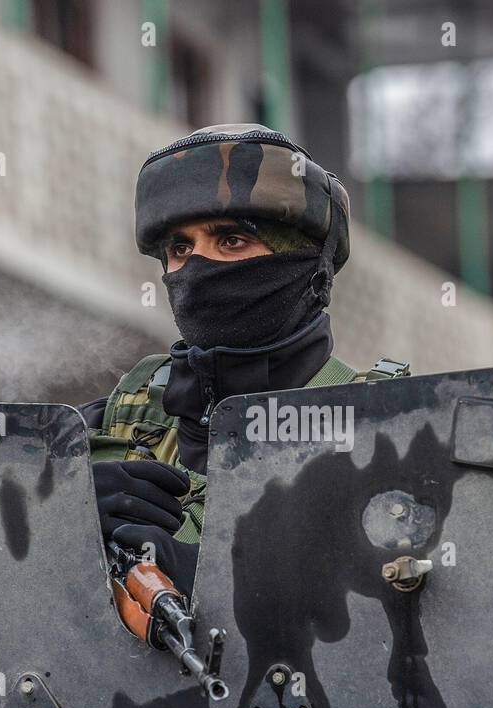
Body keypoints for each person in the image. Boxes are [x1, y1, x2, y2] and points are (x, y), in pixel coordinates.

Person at [83, 123, 407, 595]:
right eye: (179, 248)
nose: (195, 268)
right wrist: (64, 515)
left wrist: (217, 585)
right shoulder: (126, 414)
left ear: (303, 264)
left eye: (231, 241)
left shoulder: (385, 423)